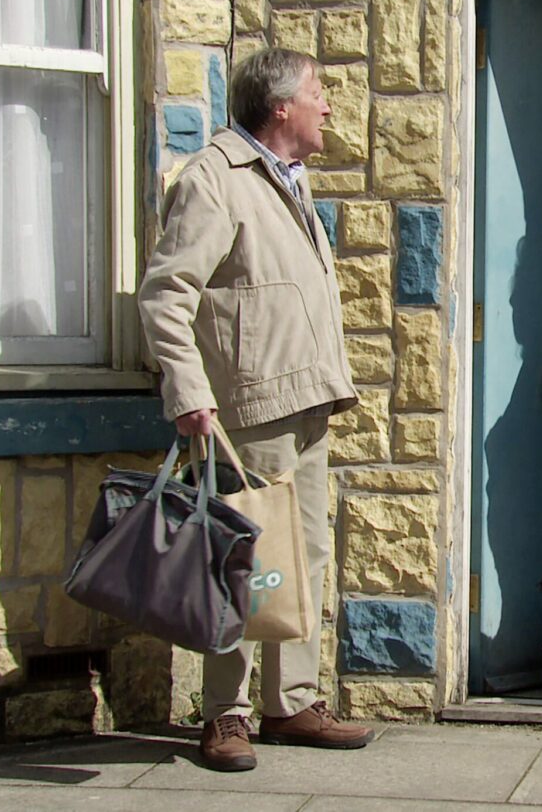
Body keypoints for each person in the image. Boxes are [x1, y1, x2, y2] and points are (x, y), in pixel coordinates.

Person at [138, 48, 372, 772]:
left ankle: (294, 703)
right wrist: (189, 394)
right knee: (242, 561)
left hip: (303, 399)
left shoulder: (287, 179)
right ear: (280, 108)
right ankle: (226, 714)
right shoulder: (216, 178)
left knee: (299, 559)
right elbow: (166, 295)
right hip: (247, 408)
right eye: (318, 93)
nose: (328, 105)